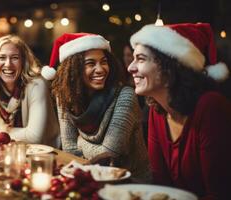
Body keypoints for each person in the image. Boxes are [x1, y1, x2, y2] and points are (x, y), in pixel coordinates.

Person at [128, 23, 231, 199]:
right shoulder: (157, 110)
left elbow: (219, 194)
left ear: (169, 68)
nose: (130, 67)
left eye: (141, 59)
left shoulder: (210, 107)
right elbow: (162, 186)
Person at [42, 33, 151, 183]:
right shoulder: (64, 96)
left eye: (103, 62)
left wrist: (79, 141)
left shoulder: (125, 96)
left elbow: (109, 153)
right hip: (87, 175)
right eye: (90, 63)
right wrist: (87, 151)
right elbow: (69, 149)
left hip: (129, 182)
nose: (100, 69)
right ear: (73, 68)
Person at [0, 35, 60, 147]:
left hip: (48, 154)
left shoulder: (37, 85)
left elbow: (35, 137)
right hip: (12, 152)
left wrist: (0, 130)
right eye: (2, 58)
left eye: (15, 58)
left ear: (23, 62)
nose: (8, 64)